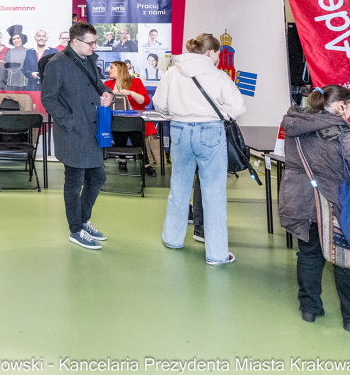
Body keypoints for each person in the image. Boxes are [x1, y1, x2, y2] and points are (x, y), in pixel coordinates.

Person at [154, 33, 245, 265]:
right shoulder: (218, 75)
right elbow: (238, 107)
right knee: (213, 192)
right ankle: (216, 254)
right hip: (210, 131)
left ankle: (172, 238)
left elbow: (160, 104)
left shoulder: (172, 72)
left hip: (180, 130)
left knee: (179, 186)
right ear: (212, 52)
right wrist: (222, 115)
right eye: (218, 53)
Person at [279, 85, 350, 332]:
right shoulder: (344, 132)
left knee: (309, 254)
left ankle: (310, 308)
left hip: (297, 197)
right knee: (344, 259)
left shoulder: (294, 123)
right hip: (331, 202)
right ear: (340, 105)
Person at [41, 21, 113, 251]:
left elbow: (98, 84)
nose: (94, 46)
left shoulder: (90, 60)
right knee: (74, 182)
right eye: (90, 43)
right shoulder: (57, 64)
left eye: (95, 42)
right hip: (73, 133)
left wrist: (107, 94)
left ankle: (83, 220)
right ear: (75, 42)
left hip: (92, 130)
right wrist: (69, 121)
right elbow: (48, 99)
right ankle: (75, 230)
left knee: (98, 178)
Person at [104, 60, 159, 177]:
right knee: (118, 134)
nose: (109, 70)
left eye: (112, 68)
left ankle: (146, 165)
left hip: (134, 119)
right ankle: (122, 161)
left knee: (137, 139)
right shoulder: (108, 84)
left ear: (120, 69)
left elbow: (145, 100)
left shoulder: (135, 81)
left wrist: (131, 93)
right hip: (116, 120)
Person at [0, 25, 29, 91]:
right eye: (14, 39)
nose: (16, 40)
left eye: (18, 38)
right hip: (11, 83)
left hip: (23, 82)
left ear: (22, 39)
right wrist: (3, 64)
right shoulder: (10, 52)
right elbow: (5, 67)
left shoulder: (28, 51)